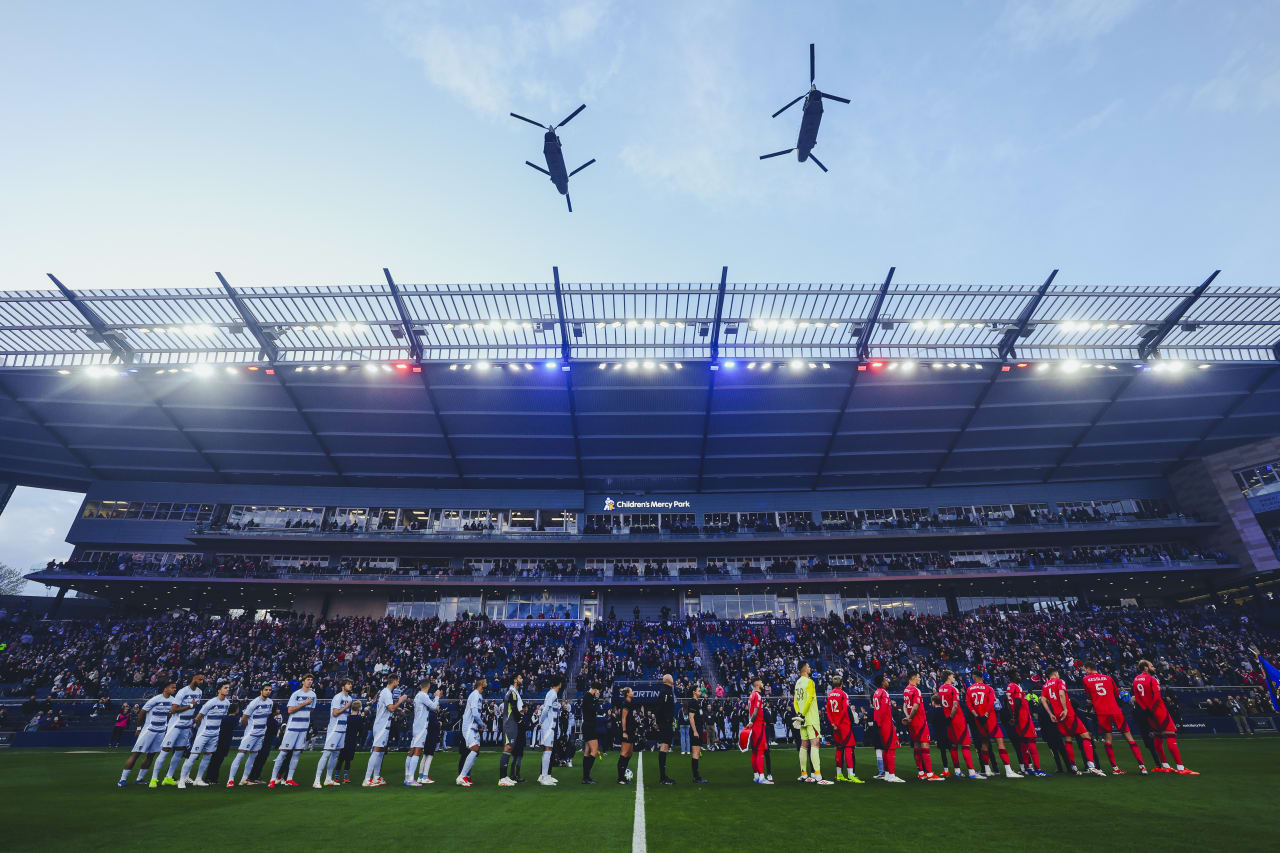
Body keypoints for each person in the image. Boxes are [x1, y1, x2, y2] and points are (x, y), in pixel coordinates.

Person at [1081, 662, 1148, 775]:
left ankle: (1115, 768)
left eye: (1084, 669)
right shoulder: (1108, 677)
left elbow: (1089, 696)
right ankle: (1142, 767)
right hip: (1114, 710)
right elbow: (1116, 694)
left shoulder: (1086, 679)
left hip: (1102, 712)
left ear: (1088, 668)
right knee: (1129, 737)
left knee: (1108, 740)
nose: (1084, 671)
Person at [1133, 659, 1197, 775]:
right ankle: (1181, 768)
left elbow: (1137, 698)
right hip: (1158, 711)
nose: (1154, 668)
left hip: (1147, 712)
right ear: (1146, 668)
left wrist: (1146, 710)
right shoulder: (1152, 679)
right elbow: (1157, 698)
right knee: (1170, 735)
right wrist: (1152, 710)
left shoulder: (1136, 680)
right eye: (1152, 666)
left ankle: (1165, 765)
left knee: (1158, 737)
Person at [1041, 668, 1106, 776]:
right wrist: (1065, 709)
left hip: (1057, 715)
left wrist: (1050, 714)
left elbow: (1043, 700)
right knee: (1086, 736)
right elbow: (1061, 694)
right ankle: (1091, 766)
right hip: (1068, 714)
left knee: (1068, 738)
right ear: (1055, 673)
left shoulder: (1045, 686)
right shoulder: (1060, 681)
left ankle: (1073, 767)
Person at [117, 679, 176, 787]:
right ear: (165, 688)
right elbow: (141, 713)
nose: (174, 689)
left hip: (161, 732)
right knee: (136, 754)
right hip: (148, 731)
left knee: (151, 756)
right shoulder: (155, 699)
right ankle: (122, 779)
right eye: (172, 687)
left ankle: (140, 779)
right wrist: (139, 728)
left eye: (175, 687)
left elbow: (170, 713)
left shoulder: (173, 700)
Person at [151, 671, 205, 787]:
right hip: (175, 725)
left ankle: (168, 777)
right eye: (200, 679)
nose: (202, 682)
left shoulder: (200, 692)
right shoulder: (183, 691)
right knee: (165, 751)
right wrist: (190, 705)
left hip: (186, 726)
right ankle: (153, 779)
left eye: (202, 680)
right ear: (194, 678)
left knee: (179, 752)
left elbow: (194, 709)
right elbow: (173, 710)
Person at [964, 672, 1021, 778]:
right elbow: (991, 703)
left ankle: (987, 769)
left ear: (973, 677)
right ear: (982, 677)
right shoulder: (988, 688)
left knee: (984, 744)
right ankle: (1008, 770)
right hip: (990, 720)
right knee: (1000, 743)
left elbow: (969, 704)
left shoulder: (969, 689)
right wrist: (985, 715)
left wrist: (977, 715)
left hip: (979, 720)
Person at [178, 680, 231, 787]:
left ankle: (198, 779)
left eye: (228, 688)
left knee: (207, 757)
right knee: (193, 757)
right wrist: (201, 730)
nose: (228, 689)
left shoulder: (227, 703)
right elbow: (198, 717)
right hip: (203, 734)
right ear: (219, 690)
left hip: (215, 735)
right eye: (225, 687)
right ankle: (182, 780)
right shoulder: (211, 702)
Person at [269, 673, 317, 788]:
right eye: (308, 679)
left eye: (311, 680)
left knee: (296, 753)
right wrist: (304, 704)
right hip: (292, 728)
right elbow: (290, 710)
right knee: (283, 752)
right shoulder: (296, 694)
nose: (310, 681)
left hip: (303, 728)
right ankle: (273, 779)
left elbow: (312, 709)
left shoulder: (313, 695)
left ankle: (289, 778)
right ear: (303, 681)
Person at [363, 674, 408, 787]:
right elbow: (390, 708)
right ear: (394, 681)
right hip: (381, 726)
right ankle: (367, 779)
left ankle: (376, 777)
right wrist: (400, 701)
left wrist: (398, 709)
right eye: (398, 680)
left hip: (384, 725)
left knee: (381, 751)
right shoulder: (387, 693)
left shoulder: (386, 692)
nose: (398, 683)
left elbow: (389, 707)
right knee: (377, 750)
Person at [937, 671, 983, 780]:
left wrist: (948, 718)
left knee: (953, 745)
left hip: (947, 719)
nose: (954, 677)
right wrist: (952, 717)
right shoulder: (953, 689)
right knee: (965, 744)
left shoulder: (940, 689)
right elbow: (955, 705)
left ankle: (957, 771)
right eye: (952, 676)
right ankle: (972, 772)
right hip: (957, 719)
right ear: (948, 677)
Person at [227, 683, 274, 787]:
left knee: (253, 757)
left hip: (261, 734)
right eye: (266, 689)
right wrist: (247, 729)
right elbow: (244, 718)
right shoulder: (254, 703)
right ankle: (230, 780)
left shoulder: (270, 702)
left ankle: (244, 779)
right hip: (251, 734)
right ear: (261, 691)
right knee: (241, 755)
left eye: (270, 690)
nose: (268, 691)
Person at [792, 660, 830, 784]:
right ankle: (818, 775)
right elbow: (809, 700)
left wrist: (799, 715)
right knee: (815, 744)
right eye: (808, 666)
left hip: (801, 718)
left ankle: (804, 774)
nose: (810, 668)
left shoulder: (797, 683)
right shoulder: (809, 682)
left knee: (804, 745)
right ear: (804, 669)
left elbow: (795, 702)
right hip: (811, 717)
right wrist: (803, 714)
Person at [1004, 677, 1049, 777]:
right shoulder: (1016, 687)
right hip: (1024, 718)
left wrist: (1013, 716)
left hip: (1018, 718)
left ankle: (1027, 767)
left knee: (1023, 743)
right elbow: (1018, 702)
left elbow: (1008, 703)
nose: (1019, 676)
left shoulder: (1009, 688)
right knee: (1031, 742)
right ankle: (1038, 770)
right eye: (1016, 675)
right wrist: (1015, 716)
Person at [314, 677, 354, 788]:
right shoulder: (338, 697)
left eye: (351, 684)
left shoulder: (350, 698)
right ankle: (317, 780)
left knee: (335, 755)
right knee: (327, 753)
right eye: (348, 684)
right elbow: (335, 713)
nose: (350, 685)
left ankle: (328, 778)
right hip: (334, 729)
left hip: (343, 729)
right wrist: (346, 706)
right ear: (343, 686)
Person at [903, 672, 942, 781]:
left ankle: (921, 773)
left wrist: (907, 717)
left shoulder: (906, 690)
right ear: (914, 678)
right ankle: (929, 774)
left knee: (916, 746)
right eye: (919, 677)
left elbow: (905, 705)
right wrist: (910, 717)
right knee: (925, 746)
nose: (920, 679)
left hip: (912, 723)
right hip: (919, 722)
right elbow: (915, 707)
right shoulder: (916, 690)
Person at [824, 672, 860, 783]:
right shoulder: (844, 694)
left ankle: (839, 774)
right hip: (843, 725)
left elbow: (828, 711)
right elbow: (844, 710)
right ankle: (850, 775)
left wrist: (833, 723)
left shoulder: (829, 694)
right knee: (848, 748)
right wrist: (838, 723)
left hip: (835, 726)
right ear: (842, 684)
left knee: (839, 748)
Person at [407, 677, 443, 786]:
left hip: (418, 725)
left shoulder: (418, 695)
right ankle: (411, 779)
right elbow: (433, 707)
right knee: (417, 752)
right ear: (428, 686)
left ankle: (408, 777)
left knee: (413, 752)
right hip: (421, 727)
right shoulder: (423, 695)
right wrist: (436, 697)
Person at [872, 673, 906, 782]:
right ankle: (891, 775)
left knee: (885, 749)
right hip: (885, 725)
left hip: (880, 724)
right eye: (886, 679)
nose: (888, 681)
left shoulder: (876, 693)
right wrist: (885, 724)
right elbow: (882, 710)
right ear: (882, 682)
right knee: (891, 749)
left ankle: (887, 774)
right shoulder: (884, 693)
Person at [457, 677, 487, 787]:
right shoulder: (475, 694)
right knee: (474, 750)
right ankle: (462, 776)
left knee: (476, 751)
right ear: (481, 683)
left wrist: (479, 725)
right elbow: (474, 713)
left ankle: (466, 776)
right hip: (469, 726)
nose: (487, 683)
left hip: (474, 727)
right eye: (485, 681)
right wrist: (481, 724)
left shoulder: (479, 695)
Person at [537, 674, 563, 786]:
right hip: (548, 726)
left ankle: (546, 775)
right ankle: (543, 777)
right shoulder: (552, 693)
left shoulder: (552, 693)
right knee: (548, 750)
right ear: (559, 684)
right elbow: (546, 708)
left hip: (550, 726)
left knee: (549, 750)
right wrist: (541, 721)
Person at [498, 674, 524, 786]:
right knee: (507, 748)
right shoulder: (512, 693)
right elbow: (513, 708)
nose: (522, 680)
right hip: (510, 723)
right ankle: (502, 778)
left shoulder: (514, 693)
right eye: (520, 678)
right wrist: (519, 719)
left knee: (509, 748)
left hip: (511, 723)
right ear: (515, 680)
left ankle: (504, 776)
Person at [747, 677, 772, 784]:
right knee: (760, 751)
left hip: (754, 726)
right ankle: (762, 777)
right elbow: (756, 711)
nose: (762, 683)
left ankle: (756, 776)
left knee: (754, 751)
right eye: (761, 682)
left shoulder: (751, 695)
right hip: (758, 725)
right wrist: (752, 722)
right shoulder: (757, 695)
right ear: (757, 683)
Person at [655, 673, 677, 785]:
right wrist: (659, 722)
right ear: (668, 680)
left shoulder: (668, 691)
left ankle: (664, 776)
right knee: (664, 746)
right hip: (665, 724)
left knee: (666, 746)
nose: (673, 678)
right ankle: (663, 778)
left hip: (666, 723)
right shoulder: (665, 692)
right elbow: (659, 708)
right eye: (672, 677)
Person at [336, 701, 366, 783]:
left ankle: (336, 777)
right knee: (348, 760)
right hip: (352, 740)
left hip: (343, 739)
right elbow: (361, 731)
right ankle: (345, 777)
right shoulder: (359, 718)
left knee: (340, 759)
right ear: (359, 708)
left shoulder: (347, 717)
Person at [684, 684, 708, 783]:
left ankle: (697, 776)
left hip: (699, 729)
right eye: (698, 690)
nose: (700, 692)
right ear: (694, 692)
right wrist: (695, 731)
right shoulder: (693, 702)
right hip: (696, 730)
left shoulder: (697, 702)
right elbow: (691, 717)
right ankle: (696, 777)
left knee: (697, 753)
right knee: (695, 753)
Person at [581, 681, 602, 784]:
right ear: (596, 689)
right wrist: (597, 699)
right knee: (594, 750)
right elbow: (593, 710)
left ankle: (586, 777)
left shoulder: (588, 697)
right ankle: (586, 776)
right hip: (589, 726)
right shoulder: (588, 697)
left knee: (587, 751)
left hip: (588, 725)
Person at [616, 686, 635, 785]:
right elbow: (623, 718)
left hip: (631, 731)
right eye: (631, 691)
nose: (633, 692)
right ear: (627, 694)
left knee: (630, 753)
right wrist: (624, 731)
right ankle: (620, 778)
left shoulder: (630, 703)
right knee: (624, 753)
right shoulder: (625, 703)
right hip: (626, 731)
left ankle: (622, 774)